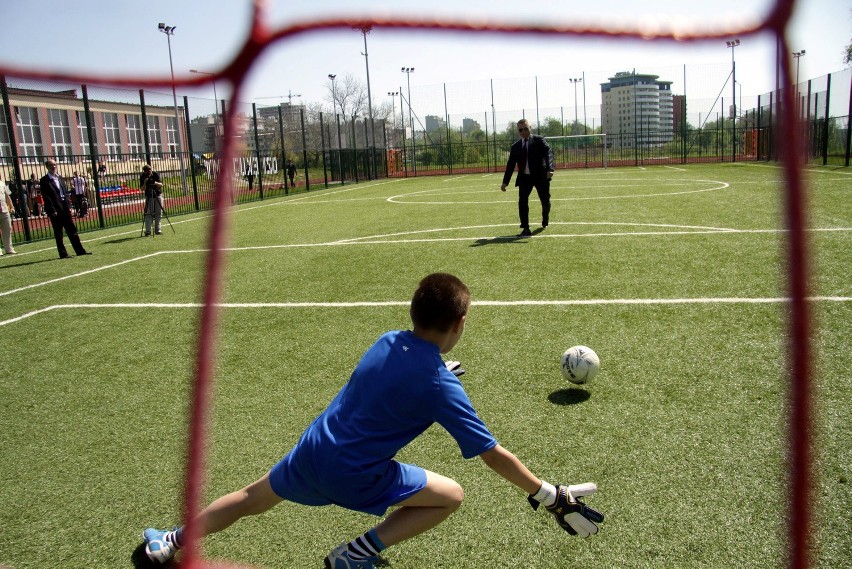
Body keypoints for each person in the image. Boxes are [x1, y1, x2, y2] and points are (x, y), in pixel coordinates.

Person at [142, 273, 604, 567]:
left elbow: (395, 377)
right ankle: (355, 554)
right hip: (355, 476)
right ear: (460, 322)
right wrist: (547, 494)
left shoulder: (387, 340)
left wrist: (437, 369)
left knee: (247, 499)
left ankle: (169, 540)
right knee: (450, 496)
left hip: (313, 452)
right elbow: (493, 455)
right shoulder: (440, 386)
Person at [500, 118, 554, 237]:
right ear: (518, 132)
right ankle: (525, 228)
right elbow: (510, 166)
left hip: (541, 176)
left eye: (525, 128)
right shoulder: (515, 147)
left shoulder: (539, 140)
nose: (523, 131)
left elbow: (548, 153)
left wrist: (550, 169)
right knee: (522, 202)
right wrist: (505, 182)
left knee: (545, 202)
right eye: (520, 130)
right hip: (525, 178)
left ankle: (545, 218)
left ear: (530, 128)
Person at [39, 159, 90, 258]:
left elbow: (66, 193)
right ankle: (63, 253)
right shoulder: (44, 180)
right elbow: (46, 197)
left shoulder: (60, 178)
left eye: (55, 164)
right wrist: (52, 210)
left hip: (65, 208)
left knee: (72, 230)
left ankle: (80, 251)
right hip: (56, 209)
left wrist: (70, 206)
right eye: (51, 165)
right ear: (47, 167)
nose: (53, 167)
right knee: (59, 233)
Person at [140, 164, 164, 236]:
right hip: (149, 196)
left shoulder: (155, 174)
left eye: (149, 170)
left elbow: (161, 184)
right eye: (146, 171)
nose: (148, 172)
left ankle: (158, 230)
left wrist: (155, 183)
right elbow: (142, 189)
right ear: (144, 171)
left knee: (158, 212)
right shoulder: (143, 176)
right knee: (148, 213)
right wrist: (145, 183)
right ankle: (148, 231)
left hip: (158, 194)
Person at [0, 176, 17, 255]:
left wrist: (11, 207)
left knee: (7, 229)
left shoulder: (2, 183)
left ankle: (9, 248)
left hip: (4, 210)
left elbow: (7, 196)